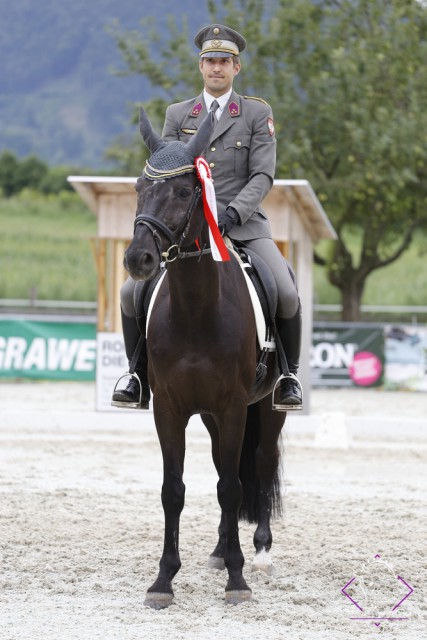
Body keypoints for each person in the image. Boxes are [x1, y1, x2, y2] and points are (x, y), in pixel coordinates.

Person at [112, 23, 302, 411]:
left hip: (243, 225)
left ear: (237, 68)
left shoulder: (255, 113)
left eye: (224, 62)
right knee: (131, 292)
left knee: (284, 291)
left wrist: (233, 214)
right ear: (201, 67)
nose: (217, 68)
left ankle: (287, 376)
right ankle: (136, 374)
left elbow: (262, 174)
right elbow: (165, 172)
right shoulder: (178, 114)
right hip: (186, 232)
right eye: (210, 61)